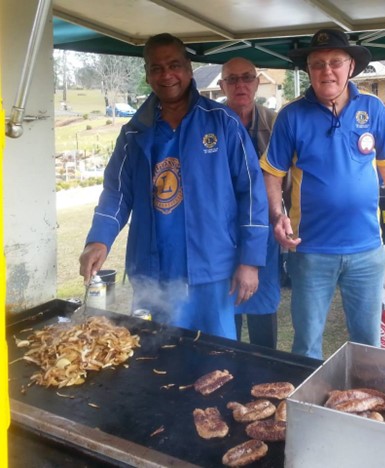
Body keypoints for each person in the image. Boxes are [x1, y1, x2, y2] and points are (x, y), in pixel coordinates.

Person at [79, 33, 269, 340]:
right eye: (156, 68)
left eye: (174, 65)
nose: (167, 75)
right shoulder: (134, 131)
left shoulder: (222, 123)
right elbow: (116, 191)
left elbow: (251, 194)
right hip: (155, 273)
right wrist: (98, 240)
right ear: (147, 74)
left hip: (212, 269)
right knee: (159, 361)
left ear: (189, 68)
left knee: (216, 358)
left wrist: (250, 260)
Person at [260, 28, 385, 359]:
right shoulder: (291, 115)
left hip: (366, 250)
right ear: (309, 70)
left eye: (335, 62)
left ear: (351, 67)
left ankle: (364, 410)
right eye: (317, 64)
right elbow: (272, 172)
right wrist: (277, 214)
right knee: (307, 344)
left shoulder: (372, 109)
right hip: (310, 250)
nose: (326, 70)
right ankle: (307, 410)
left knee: (368, 343)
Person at [219, 57, 279, 348]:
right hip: (220, 236)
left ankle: (264, 376)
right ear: (222, 85)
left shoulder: (275, 123)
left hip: (264, 232)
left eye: (247, 77)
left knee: (262, 308)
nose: (240, 84)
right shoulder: (210, 123)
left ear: (257, 83)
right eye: (232, 79)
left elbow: (288, 175)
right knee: (225, 314)